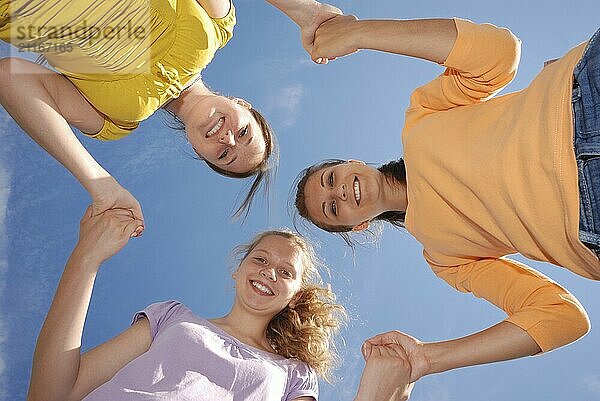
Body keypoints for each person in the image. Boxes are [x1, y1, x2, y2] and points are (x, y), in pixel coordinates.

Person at [293, 13, 600, 390]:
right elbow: (562, 317)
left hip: (582, 99)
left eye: (330, 179)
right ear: (357, 226)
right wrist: (427, 358)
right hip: (589, 214)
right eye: (332, 208)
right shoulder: (445, 259)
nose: (337, 192)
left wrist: (357, 33)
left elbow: (500, 54)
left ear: (352, 164)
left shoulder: (421, 117)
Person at [0, 0, 343, 231]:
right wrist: (307, 12)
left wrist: (101, 185)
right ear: (242, 104)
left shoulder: (117, 120)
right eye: (244, 134)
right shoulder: (216, 28)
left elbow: (11, 77)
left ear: (198, 152)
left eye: (224, 155)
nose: (227, 139)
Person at [26, 207, 413, 401]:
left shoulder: (294, 375)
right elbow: (54, 392)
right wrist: (85, 260)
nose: (269, 273)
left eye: (286, 272)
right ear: (238, 269)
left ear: (295, 296)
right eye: (260, 259)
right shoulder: (170, 317)